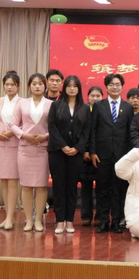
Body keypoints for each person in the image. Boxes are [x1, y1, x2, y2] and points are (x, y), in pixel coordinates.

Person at [89, 73, 133, 234]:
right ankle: (103, 221)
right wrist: (93, 152)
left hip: (121, 156)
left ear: (122, 87)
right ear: (106, 87)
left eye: (118, 84)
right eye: (111, 84)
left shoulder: (128, 107)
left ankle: (115, 221)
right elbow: (93, 130)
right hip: (102, 155)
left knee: (118, 189)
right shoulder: (98, 106)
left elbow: (130, 133)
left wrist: (129, 156)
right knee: (102, 189)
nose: (115, 87)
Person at [47, 75, 90, 234]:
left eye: (75, 86)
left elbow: (87, 131)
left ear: (79, 89)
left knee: (71, 187)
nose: (72, 89)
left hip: (76, 153)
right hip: (57, 152)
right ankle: (59, 221)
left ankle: (70, 221)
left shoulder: (84, 108)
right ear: (64, 88)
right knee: (59, 186)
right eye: (69, 86)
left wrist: (78, 148)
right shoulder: (56, 105)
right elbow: (52, 127)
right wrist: (63, 146)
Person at [11, 73, 52, 232]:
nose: (37, 86)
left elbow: (55, 127)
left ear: (45, 86)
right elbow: (13, 125)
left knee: (41, 186)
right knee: (26, 186)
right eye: (34, 83)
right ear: (29, 86)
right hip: (25, 148)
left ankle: (39, 220)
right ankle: (28, 220)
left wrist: (45, 136)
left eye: (40, 84)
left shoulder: (51, 104)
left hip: (43, 149)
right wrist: (24, 135)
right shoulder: (22, 104)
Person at [0, 71, 21, 230]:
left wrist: (12, 132)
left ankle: (10, 217)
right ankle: (8, 217)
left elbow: (25, 123)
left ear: (18, 86)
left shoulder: (23, 102)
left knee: (13, 181)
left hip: (15, 143)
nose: (9, 87)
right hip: (0, 143)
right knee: (4, 182)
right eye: (7, 84)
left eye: (12, 85)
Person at [80, 86, 102, 227]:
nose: (95, 98)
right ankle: (86, 216)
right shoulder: (83, 110)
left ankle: (100, 215)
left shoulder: (104, 110)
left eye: (98, 96)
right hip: (85, 155)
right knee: (85, 187)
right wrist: (85, 151)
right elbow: (82, 132)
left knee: (101, 187)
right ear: (87, 97)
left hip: (100, 154)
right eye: (92, 95)